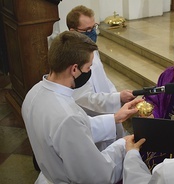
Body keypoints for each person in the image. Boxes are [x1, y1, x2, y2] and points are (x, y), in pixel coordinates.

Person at [21, 31, 143, 184]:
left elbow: (76, 130)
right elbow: (96, 175)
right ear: (74, 69)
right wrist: (123, 146)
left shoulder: (34, 93)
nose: (89, 72)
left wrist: (114, 118)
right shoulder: (67, 117)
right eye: (88, 67)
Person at [66, 5, 135, 150]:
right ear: (73, 31)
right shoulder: (70, 60)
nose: (93, 33)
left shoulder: (90, 49)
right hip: (94, 119)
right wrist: (115, 100)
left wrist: (117, 95)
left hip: (108, 109)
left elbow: (104, 80)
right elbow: (83, 98)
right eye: (87, 30)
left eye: (94, 27)